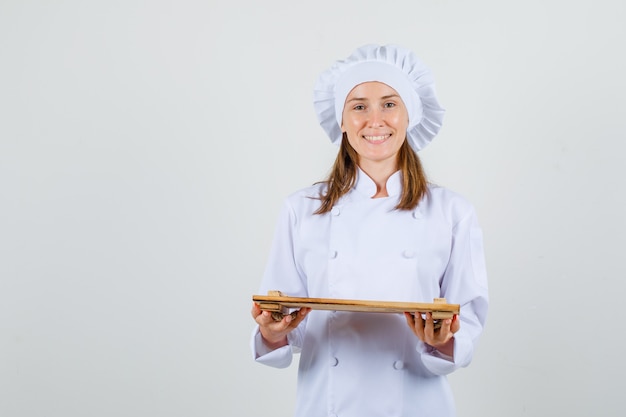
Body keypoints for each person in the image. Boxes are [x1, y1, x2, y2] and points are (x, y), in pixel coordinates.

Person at [250, 44, 489, 417]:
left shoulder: (452, 212)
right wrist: (273, 330)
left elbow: (467, 322)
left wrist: (443, 340)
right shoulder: (301, 210)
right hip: (326, 405)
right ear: (341, 120)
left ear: (410, 115)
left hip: (417, 403)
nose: (374, 120)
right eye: (359, 106)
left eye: (390, 104)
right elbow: (285, 321)